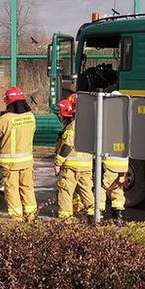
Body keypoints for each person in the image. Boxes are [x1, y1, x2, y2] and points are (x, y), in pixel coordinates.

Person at [0, 87, 37, 222]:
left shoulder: (5, 119)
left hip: (10, 164)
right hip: (27, 162)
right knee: (27, 188)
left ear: (8, 102)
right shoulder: (31, 117)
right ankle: (31, 216)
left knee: (12, 189)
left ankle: (16, 218)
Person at [54, 95, 94, 224]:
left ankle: (66, 221)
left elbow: (67, 145)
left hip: (71, 166)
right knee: (87, 192)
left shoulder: (73, 126)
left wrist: (58, 163)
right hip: (87, 165)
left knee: (65, 192)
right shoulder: (91, 124)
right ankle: (93, 218)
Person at [102, 89, 129, 225]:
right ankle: (118, 218)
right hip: (123, 166)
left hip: (108, 164)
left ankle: (98, 217)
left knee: (100, 190)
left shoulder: (106, 119)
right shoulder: (126, 120)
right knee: (118, 192)